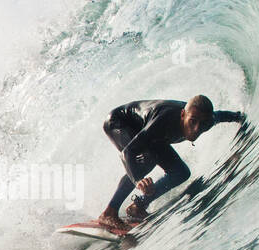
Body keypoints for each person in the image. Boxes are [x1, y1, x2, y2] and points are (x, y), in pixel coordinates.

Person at [96, 94, 246, 234]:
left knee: (180, 172)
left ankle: (138, 206)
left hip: (151, 135)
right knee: (146, 163)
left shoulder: (208, 121)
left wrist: (240, 118)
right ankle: (109, 213)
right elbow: (127, 153)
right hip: (119, 122)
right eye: (192, 121)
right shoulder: (163, 120)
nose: (196, 129)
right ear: (183, 115)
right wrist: (137, 181)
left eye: (203, 124)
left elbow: (223, 115)